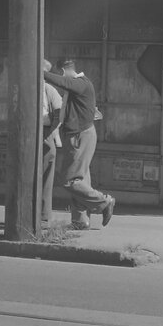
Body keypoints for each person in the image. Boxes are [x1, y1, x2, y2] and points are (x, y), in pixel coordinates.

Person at [43, 57, 115, 228]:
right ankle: (80, 220)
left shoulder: (81, 83)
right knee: (80, 179)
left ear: (63, 71)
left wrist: (43, 74)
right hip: (79, 135)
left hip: (80, 136)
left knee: (70, 180)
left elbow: (64, 82)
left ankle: (104, 202)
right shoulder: (77, 87)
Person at [39, 62, 64, 226]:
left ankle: (43, 214)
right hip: (37, 134)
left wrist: (52, 131)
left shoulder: (49, 89)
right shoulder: (33, 88)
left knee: (45, 176)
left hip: (45, 134)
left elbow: (59, 113)